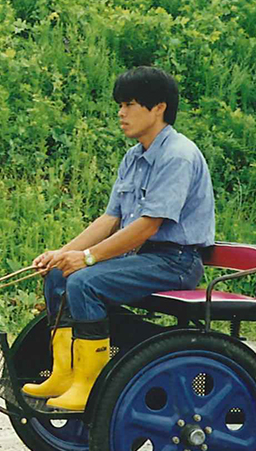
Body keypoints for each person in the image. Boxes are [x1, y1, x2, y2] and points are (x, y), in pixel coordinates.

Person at [23, 66, 215, 412]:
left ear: (158, 108)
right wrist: (63, 253)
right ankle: (65, 372)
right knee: (57, 274)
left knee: (83, 282)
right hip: (142, 259)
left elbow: (147, 226)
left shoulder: (178, 155)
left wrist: (88, 258)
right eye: (120, 105)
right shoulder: (134, 156)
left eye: (129, 104)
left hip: (176, 261)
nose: (120, 113)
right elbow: (110, 219)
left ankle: (89, 384)